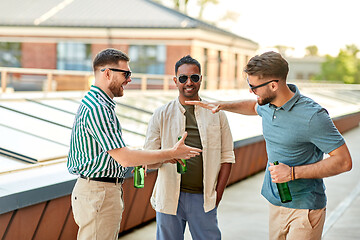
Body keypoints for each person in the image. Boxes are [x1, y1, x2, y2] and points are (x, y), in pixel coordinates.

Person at [186, 51, 352, 240]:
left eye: (253, 86)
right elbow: (253, 107)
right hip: (275, 202)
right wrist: (223, 105)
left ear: (274, 85)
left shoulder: (313, 116)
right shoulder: (267, 104)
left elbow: (344, 161)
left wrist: (292, 173)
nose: (251, 91)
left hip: (305, 208)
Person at [67, 49, 201, 240]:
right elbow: (125, 158)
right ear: (107, 73)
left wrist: (166, 156)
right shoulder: (98, 108)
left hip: (99, 193)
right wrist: (171, 153)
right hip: (98, 194)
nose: (129, 79)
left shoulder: (99, 104)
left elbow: (117, 156)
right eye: (126, 74)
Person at [144, 55, 235, 240]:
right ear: (175, 81)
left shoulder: (217, 114)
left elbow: (227, 157)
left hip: (203, 198)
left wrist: (217, 196)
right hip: (168, 197)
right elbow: (148, 159)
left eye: (194, 77)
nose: (189, 83)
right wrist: (168, 155)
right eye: (183, 78)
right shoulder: (161, 114)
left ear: (201, 79)